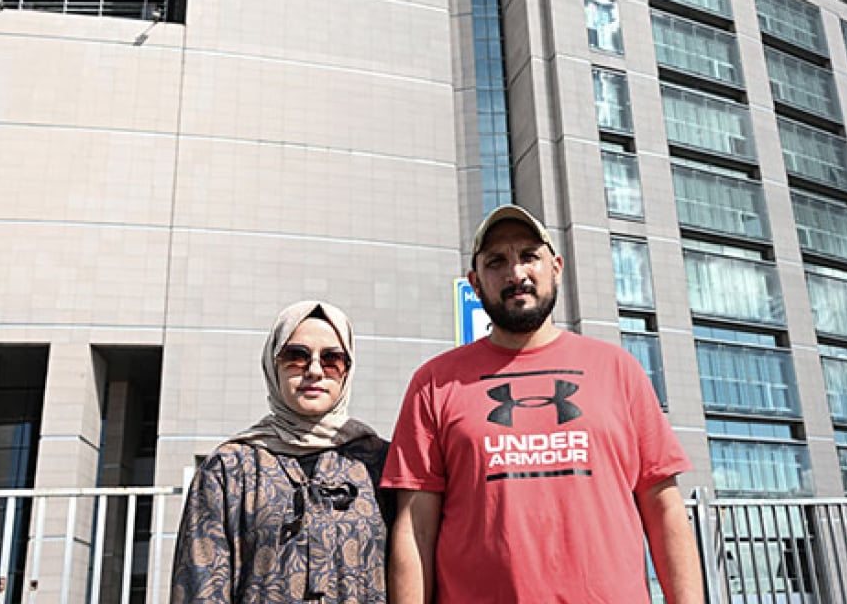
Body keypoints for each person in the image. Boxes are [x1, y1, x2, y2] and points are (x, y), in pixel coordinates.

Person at [382, 205, 705, 603]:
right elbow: (416, 528)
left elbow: (665, 508)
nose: (516, 274)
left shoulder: (618, 369)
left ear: (556, 267)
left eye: (529, 256)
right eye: (496, 262)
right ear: (475, 283)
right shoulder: (434, 383)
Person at [172, 300, 392, 603]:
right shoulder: (229, 469)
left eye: (332, 359)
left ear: (347, 370)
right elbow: (200, 587)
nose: (314, 371)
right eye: (296, 356)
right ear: (272, 364)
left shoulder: (381, 463)